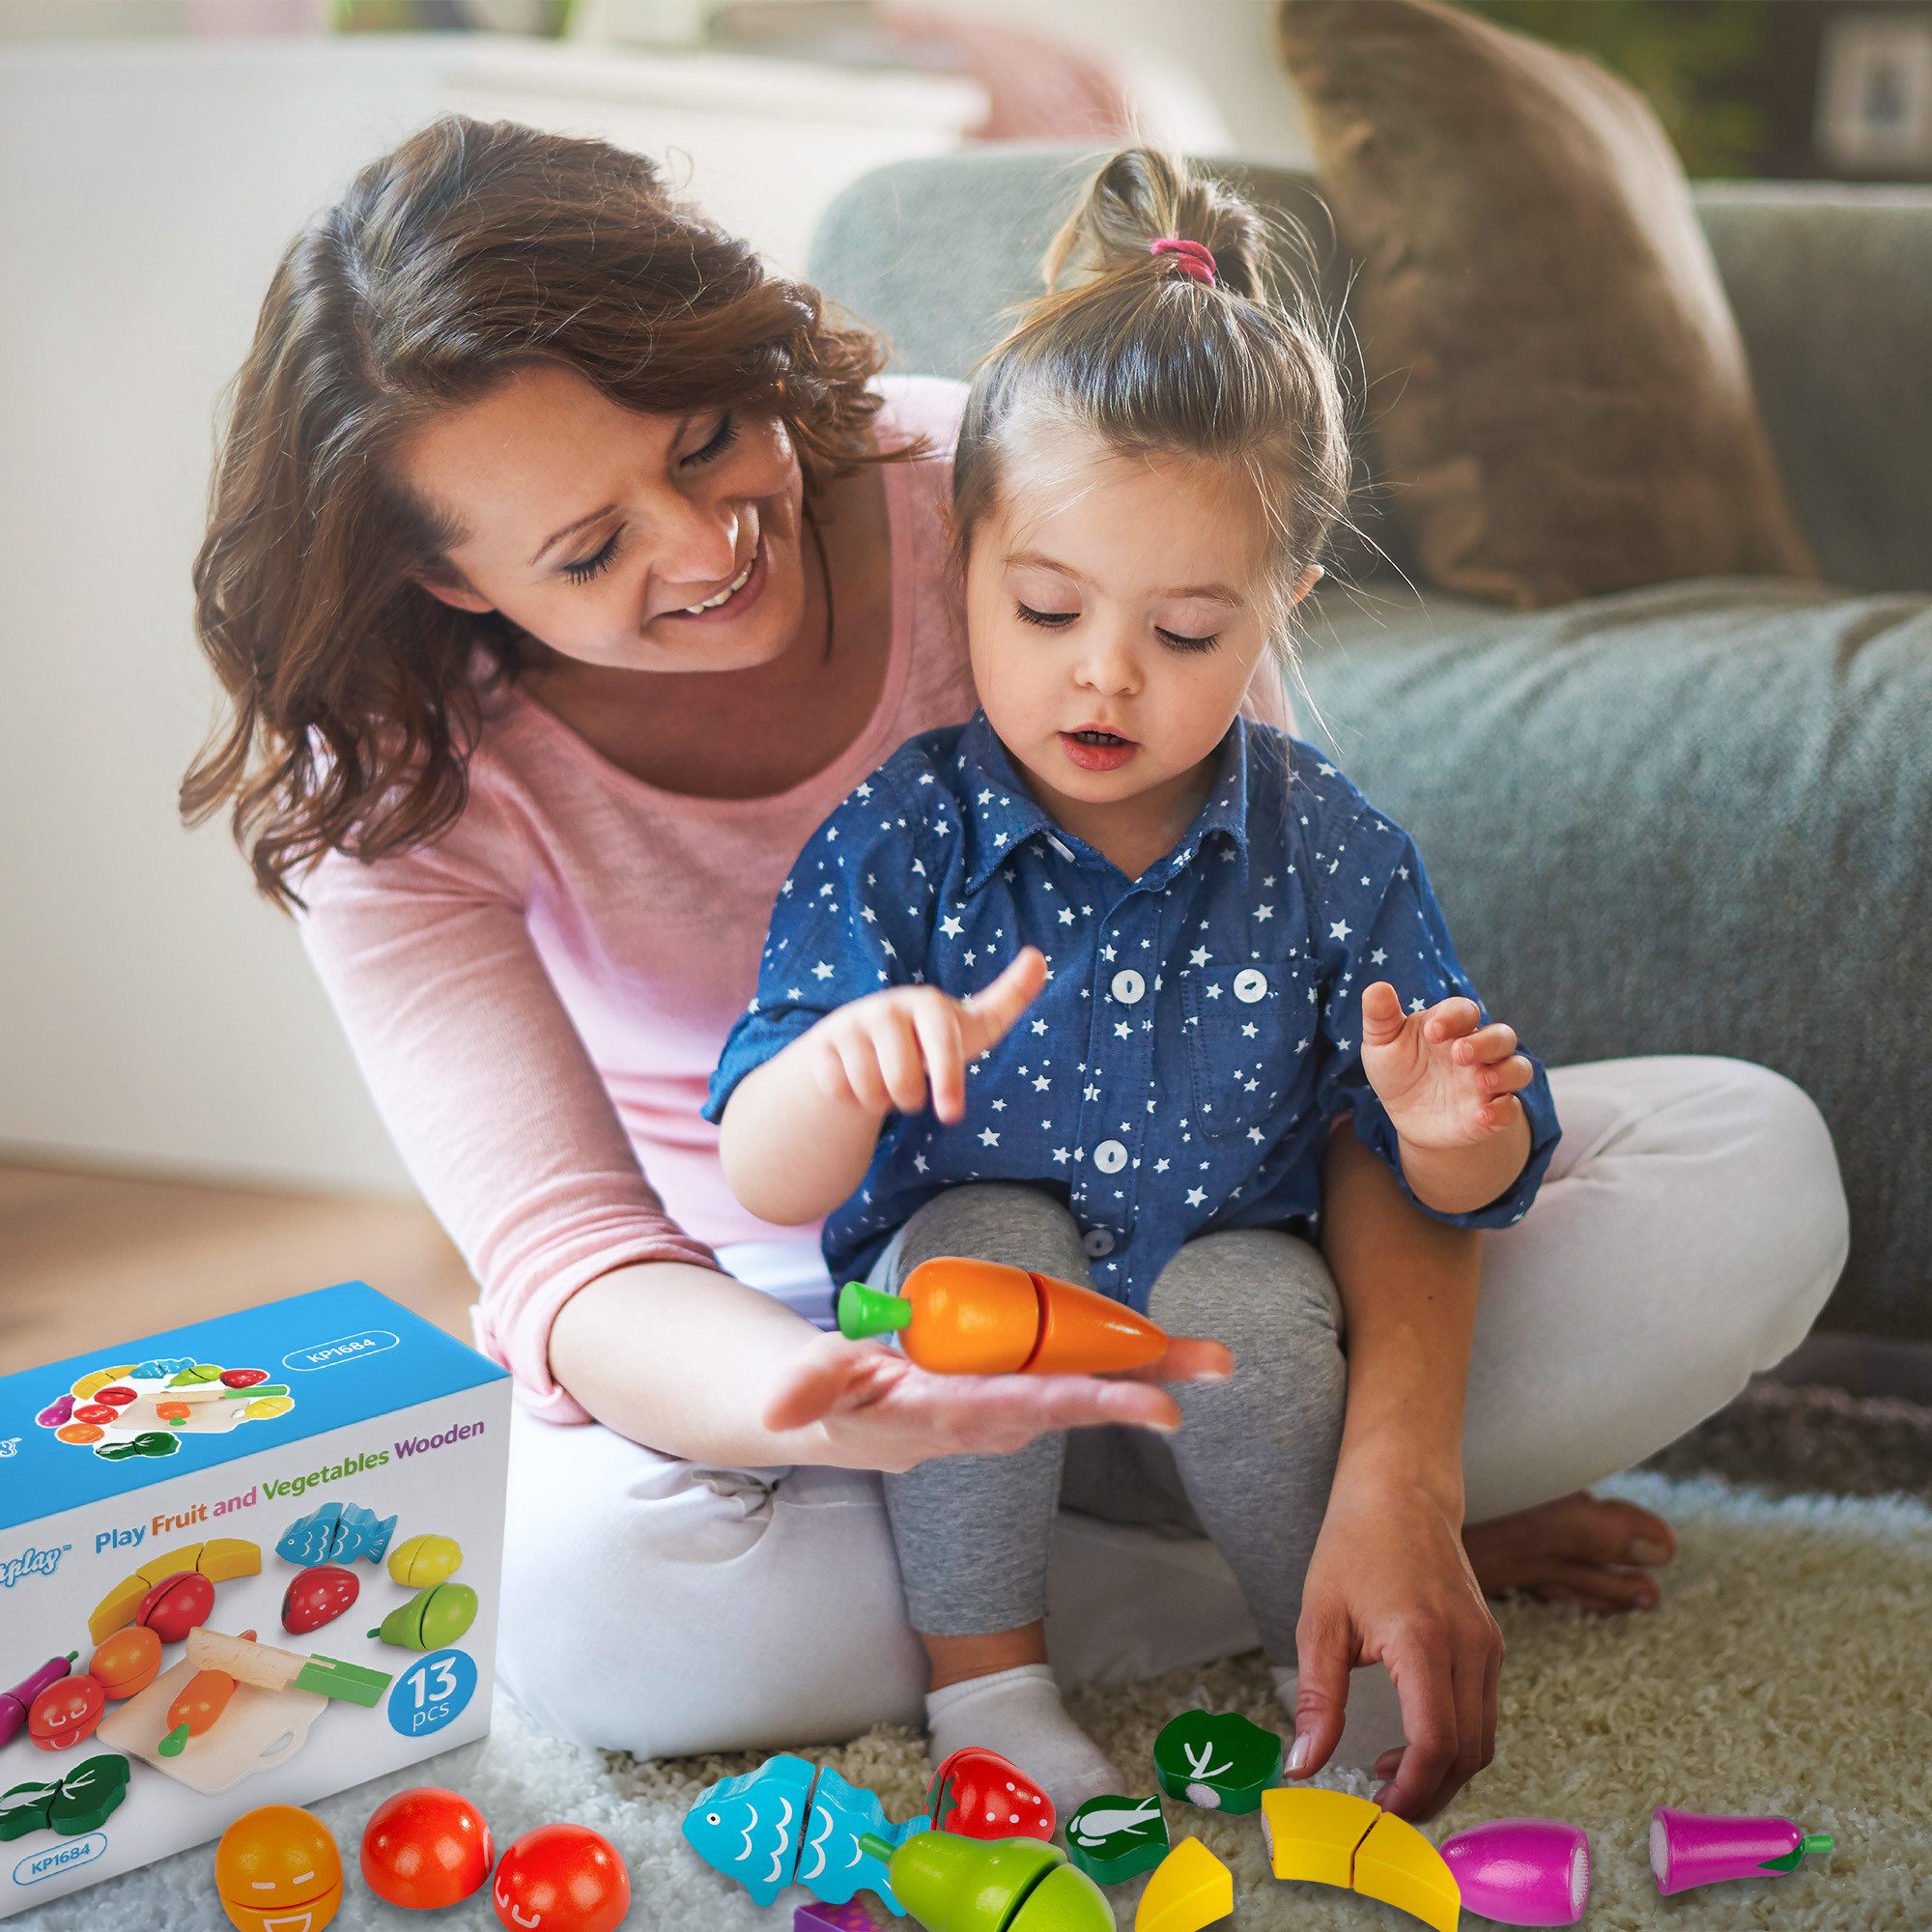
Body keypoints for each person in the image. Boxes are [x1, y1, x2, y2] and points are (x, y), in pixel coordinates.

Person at [181, 115, 1849, 1825]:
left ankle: (1321, 1535)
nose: (701, 547)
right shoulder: (387, 791)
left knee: (1754, 1167)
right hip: (817, 1318)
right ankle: (1189, 1593)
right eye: (589, 555)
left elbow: (1320, 1045)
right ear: (443, 578)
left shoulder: (1034, 501)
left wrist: (1399, 1465)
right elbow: (578, 1268)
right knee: (606, 1612)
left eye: (702, 440)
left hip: (1233, 1263)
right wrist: (820, 1401)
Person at [703, 146, 1570, 1818]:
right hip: (959, 1377)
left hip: (1213, 1355)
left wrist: (1449, 1127)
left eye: (1183, 635)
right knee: (977, 1244)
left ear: (1280, 610)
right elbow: (759, 1166)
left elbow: (1460, 1190)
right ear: (963, 564)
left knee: (1256, 1306)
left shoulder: (1330, 846)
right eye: (1046, 609)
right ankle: (992, 1683)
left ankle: (1301, 1644)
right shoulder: (905, 831)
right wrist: (848, 1064)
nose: (1104, 673)